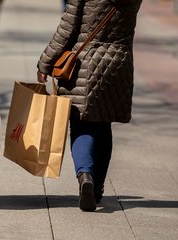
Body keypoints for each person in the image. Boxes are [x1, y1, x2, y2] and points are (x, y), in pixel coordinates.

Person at [37, 0, 142, 212]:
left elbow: (68, 28)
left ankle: (85, 175)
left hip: (85, 62)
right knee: (104, 122)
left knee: (81, 123)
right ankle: (97, 188)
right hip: (119, 63)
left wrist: (45, 62)